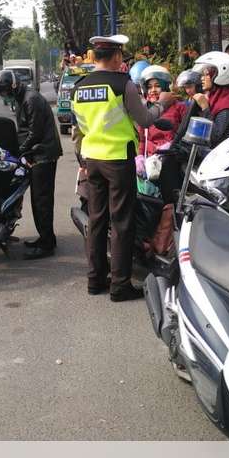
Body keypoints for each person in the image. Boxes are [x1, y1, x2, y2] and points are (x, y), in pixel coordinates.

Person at [71, 34, 176, 301]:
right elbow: (145, 119)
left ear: (94, 57)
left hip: (92, 159)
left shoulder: (79, 87)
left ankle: (95, 280)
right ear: (117, 56)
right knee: (122, 222)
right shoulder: (122, 84)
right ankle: (120, 285)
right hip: (118, 159)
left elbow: (80, 128)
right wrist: (162, 102)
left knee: (97, 220)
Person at [0, 68, 62, 260]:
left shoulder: (31, 99)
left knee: (42, 201)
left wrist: (19, 152)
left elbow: (34, 133)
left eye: (4, 92)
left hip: (43, 156)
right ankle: (46, 238)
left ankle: (47, 245)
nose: (4, 95)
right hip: (36, 154)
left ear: (12, 86)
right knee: (38, 202)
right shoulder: (23, 99)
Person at [137, 65, 185, 202]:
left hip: (171, 163)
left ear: (165, 87)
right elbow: (142, 140)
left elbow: (185, 134)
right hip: (149, 165)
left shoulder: (179, 107)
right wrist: (139, 158)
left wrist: (171, 147)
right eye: (149, 87)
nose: (153, 90)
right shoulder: (146, 111)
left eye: (157, 86)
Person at [190, 51, 229, 148]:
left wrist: (205, 108)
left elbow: (215, 135)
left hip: (222, 154)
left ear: (218, 76)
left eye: (206, 75)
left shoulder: (226, 107)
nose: (202, 78)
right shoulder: (215, 98)